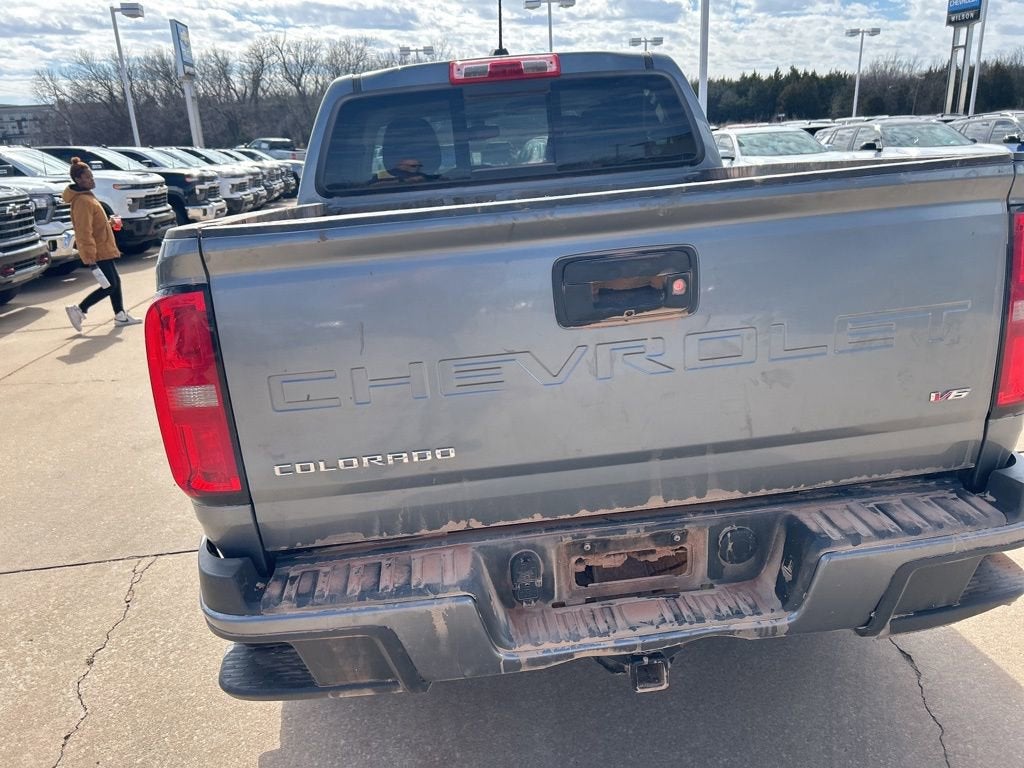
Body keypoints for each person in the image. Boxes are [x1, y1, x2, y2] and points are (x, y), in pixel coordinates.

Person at [63, 157, 140, 330]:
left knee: (115, 281)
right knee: (109, 285)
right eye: (88, 177)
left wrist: (109, 223)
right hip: (97, 250)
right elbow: (83, 231)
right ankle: (79, 309)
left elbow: (94, 224)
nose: (92, 179)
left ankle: (120, 315)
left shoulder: (87, 197)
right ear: (78, 180)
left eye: (92, 176)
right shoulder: (82, 201)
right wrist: (89, 256)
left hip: (103, 247)